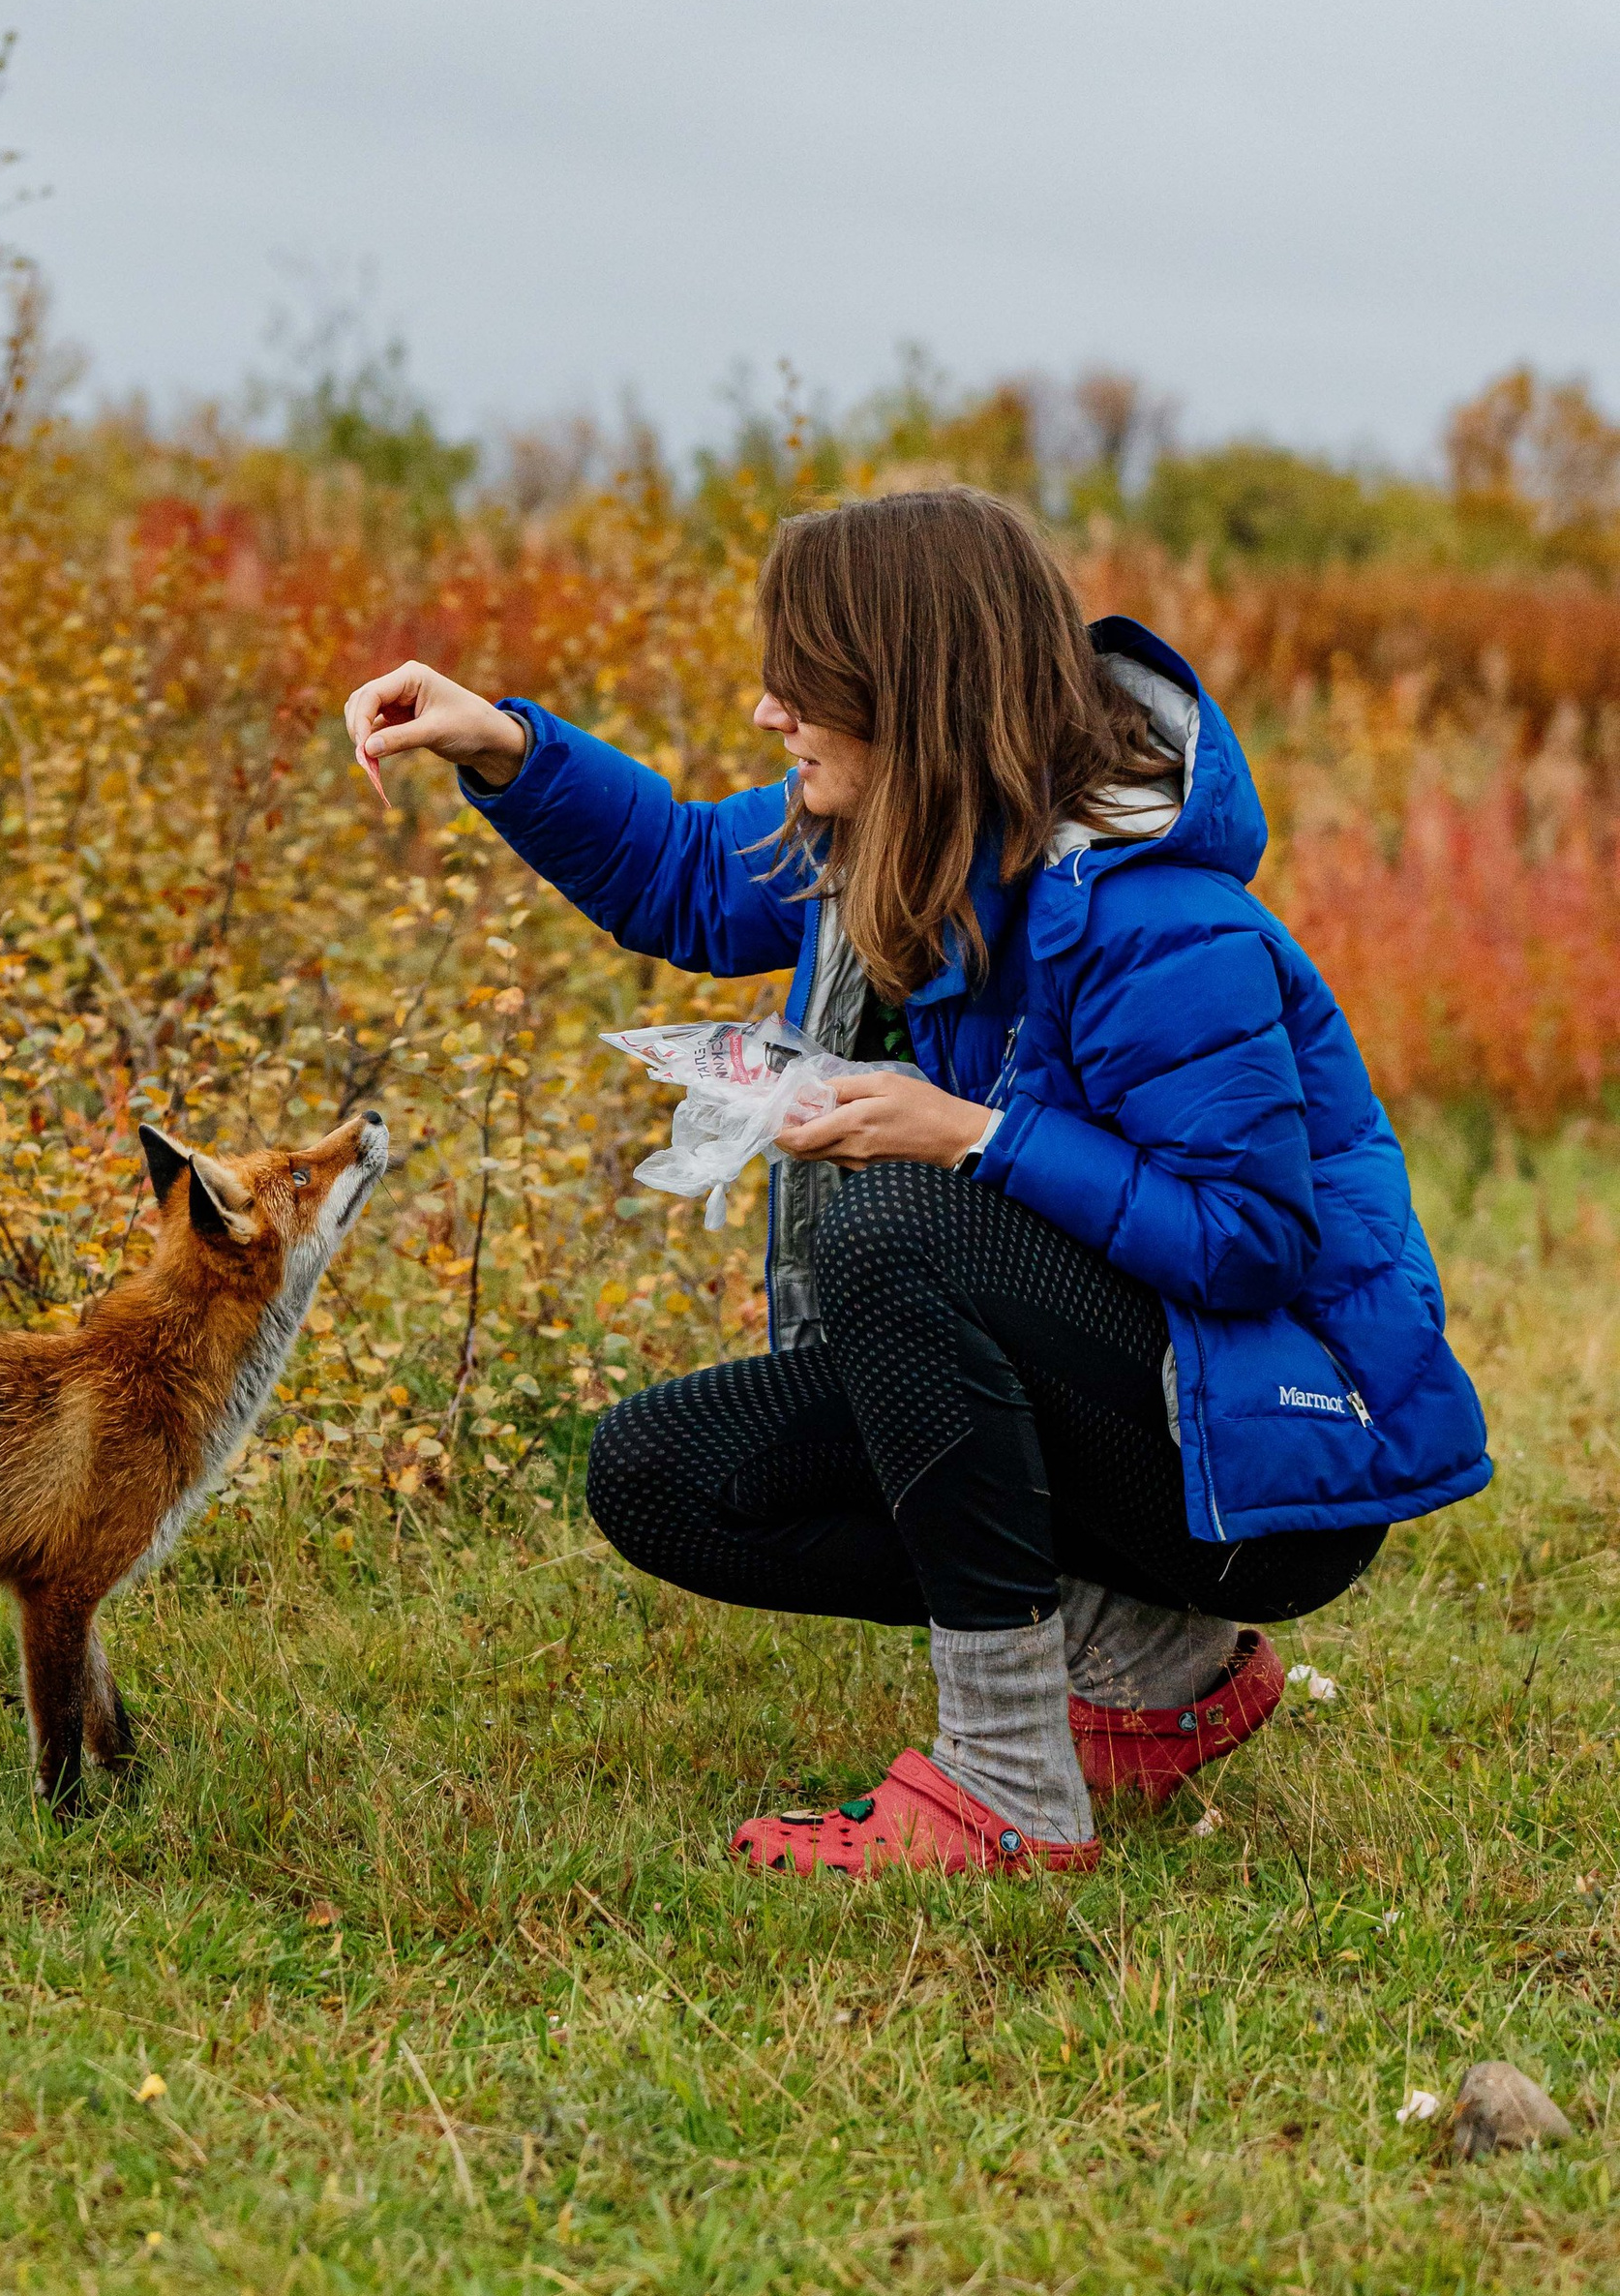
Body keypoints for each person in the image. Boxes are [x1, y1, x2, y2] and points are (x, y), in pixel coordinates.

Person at [342, 486, 1488, 1878]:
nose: (771, 712)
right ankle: (1152, 1673)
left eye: (803, 682)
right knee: (665, 1477)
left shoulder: (1158, 920)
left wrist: (971, 1136)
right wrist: (506, 744)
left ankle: (1010, 1783)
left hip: (1259, 1474)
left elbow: (1248, 1243)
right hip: (1125, 1417)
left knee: (901, 1224)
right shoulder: (899, 835)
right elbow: (696, 879)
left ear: (914, 693)